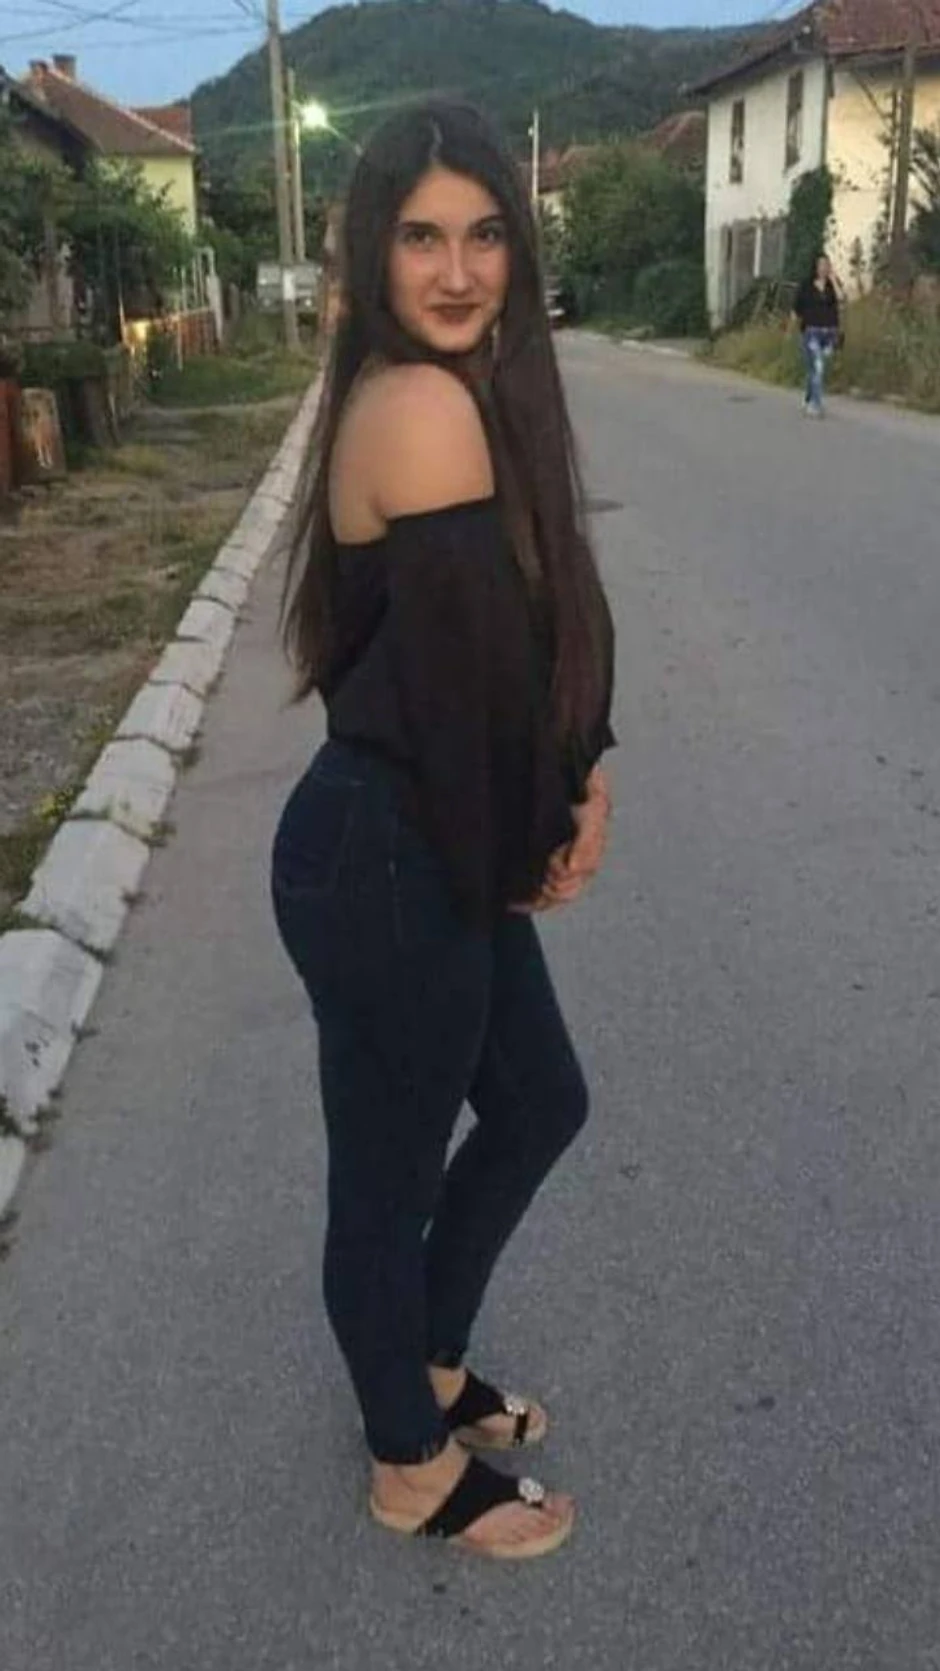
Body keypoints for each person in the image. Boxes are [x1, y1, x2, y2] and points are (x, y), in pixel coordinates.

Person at [271, 101, 615, 1561]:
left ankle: (425, 1358)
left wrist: (587, 768)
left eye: (484, 235)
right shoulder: (417, 405)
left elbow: (547, 623)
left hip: (429, 834)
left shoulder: (474, 395)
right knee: (388, 1177)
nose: (458, 270)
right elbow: (479, 688)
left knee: (538, 1101)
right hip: (392, 855)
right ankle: (407, 1462)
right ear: (374, 249)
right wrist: (549, 824)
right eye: (421, 237)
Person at [792, 253, 842, 417]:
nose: (824, 268)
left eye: (827, 265)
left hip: (829, 333)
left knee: (815, 369)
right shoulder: (806, 286)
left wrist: (834, 280)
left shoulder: (832, 286)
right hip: (812, 331)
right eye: (821, 265)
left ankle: (808, 399)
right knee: (818, 367)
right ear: (815, 267)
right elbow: (797, 308)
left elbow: (841, 299)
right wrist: (793, 327)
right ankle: (816, 405)